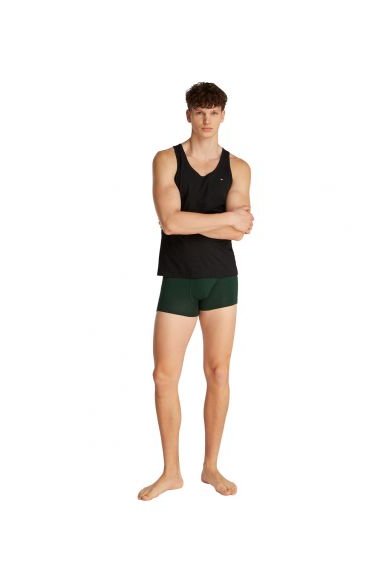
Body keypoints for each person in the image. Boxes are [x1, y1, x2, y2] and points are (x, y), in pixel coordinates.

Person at [138, 82, 254, 501]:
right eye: (200, 112)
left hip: (221, 278)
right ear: (188, 114)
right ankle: (171, 472)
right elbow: (170, 222)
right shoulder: (165, 159)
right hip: (178, 278)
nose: (207, 120)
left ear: (223, 115)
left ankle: (210, 466)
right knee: (163, 376)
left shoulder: (238, 166)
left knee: (218, 372)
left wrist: (194, 221)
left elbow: (240, 231)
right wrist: (222, 219)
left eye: (214, 112)